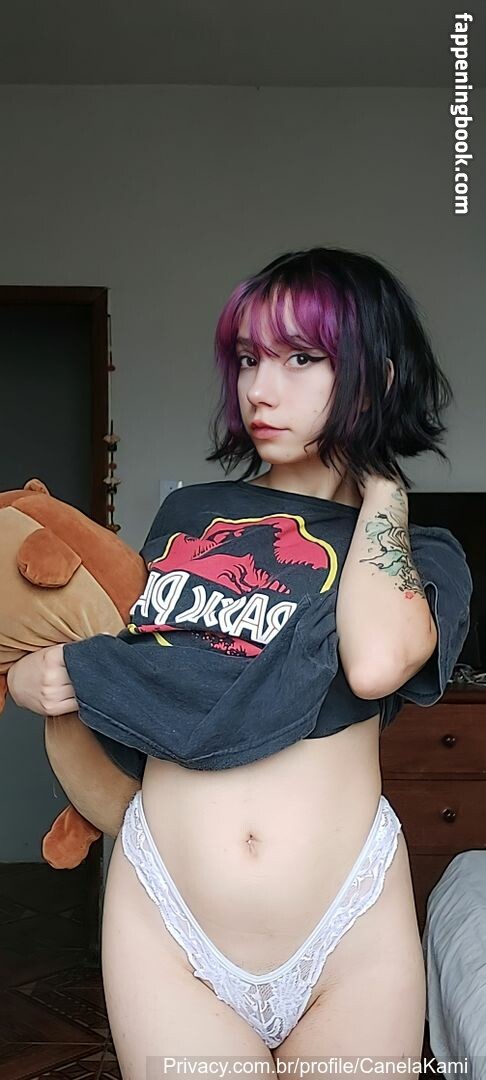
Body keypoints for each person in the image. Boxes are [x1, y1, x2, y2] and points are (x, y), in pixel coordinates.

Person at [8, 247, 473, 1078]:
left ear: (376, 379)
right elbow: (136, 659)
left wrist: (383, 490)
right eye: (251, 358)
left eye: (302, 359)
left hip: (348, 931)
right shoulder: (189, 515)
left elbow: (373, 664)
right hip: (169, 918)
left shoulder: (418, 553)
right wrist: (28, 676)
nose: (260, 388)